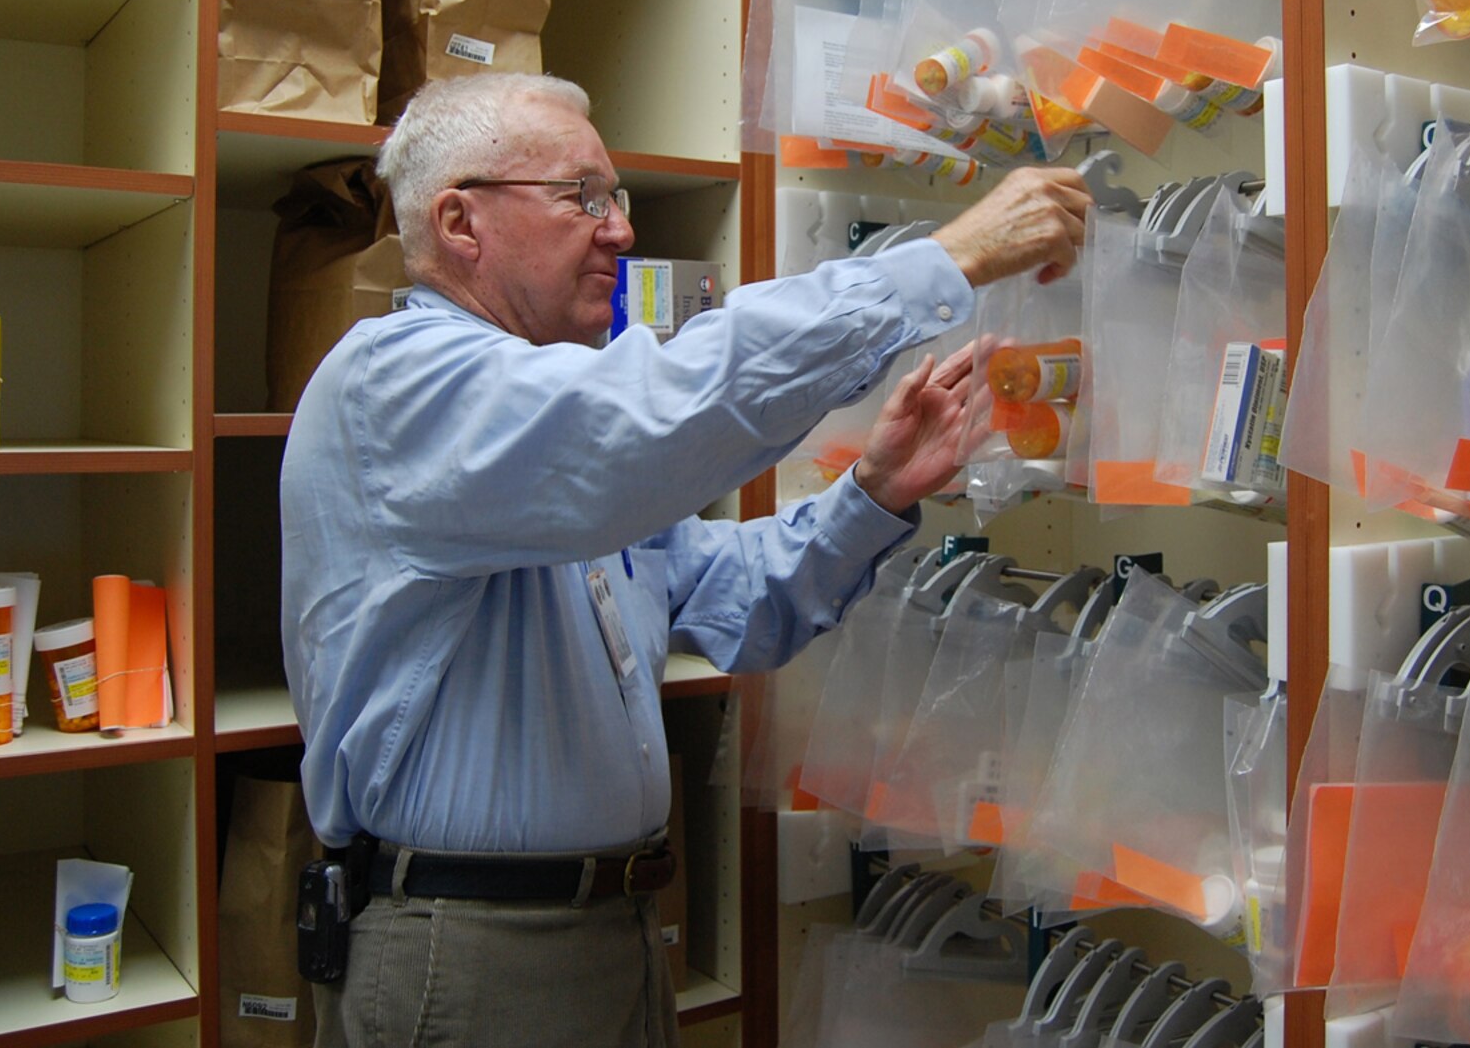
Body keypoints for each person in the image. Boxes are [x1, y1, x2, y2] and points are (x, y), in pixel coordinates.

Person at [281, 70, 1090, 1048]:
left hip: (607, 928)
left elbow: (728, 599)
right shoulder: (395, 384)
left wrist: (873, 493)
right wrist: (945, 260)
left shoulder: (538, 430)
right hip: (471, 949)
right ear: (459, 221)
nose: (619, 232)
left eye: (614, 198)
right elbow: (645, 423)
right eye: (583, 197)